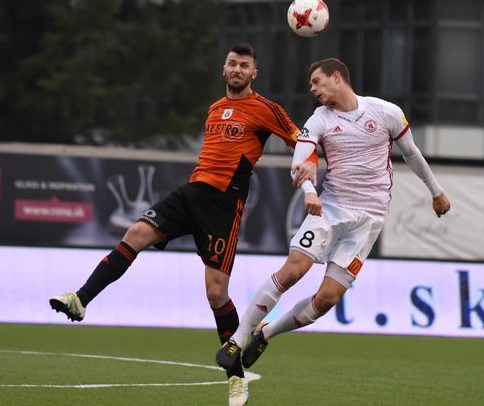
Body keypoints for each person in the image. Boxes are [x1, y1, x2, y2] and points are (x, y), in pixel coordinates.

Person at [49, 43, 316, 406]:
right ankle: (80, 300)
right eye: (232, 63)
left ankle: (236, 379)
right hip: (190, 193)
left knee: (216, 293)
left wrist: (311, 171)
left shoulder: (265, 108)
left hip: (223, 206)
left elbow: (303, 140)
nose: (237, 69)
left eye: (245, 65)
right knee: (136, 234)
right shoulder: (216, 107)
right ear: (224, 69)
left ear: (255, 73)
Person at [216, 57, 451, 371]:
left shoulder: (386, 113)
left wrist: (436, 192)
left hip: (369, 218)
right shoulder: (319, 119)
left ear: (337, 77)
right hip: (329, 209)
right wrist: (310, 193)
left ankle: (267, 332)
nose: (313, 89)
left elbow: (412, 154)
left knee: (327, 300)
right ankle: (238, 339)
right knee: (293, 271)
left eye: (317, 81)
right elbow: (301, 158)